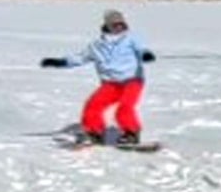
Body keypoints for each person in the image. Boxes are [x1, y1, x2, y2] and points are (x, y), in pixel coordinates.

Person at [40, 9, 156, 146]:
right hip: (111, 83)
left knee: (125, 107)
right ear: (107, 25)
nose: (119, 27)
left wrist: (146, 55)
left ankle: (131, 134)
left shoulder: (131, 40)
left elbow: (142, 50)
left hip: (132, 80)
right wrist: (60, 62)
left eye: (121, 24)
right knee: (92, 106)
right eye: (115, 24)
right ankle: (95, 134)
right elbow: (80, 58)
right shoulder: (96, 46)